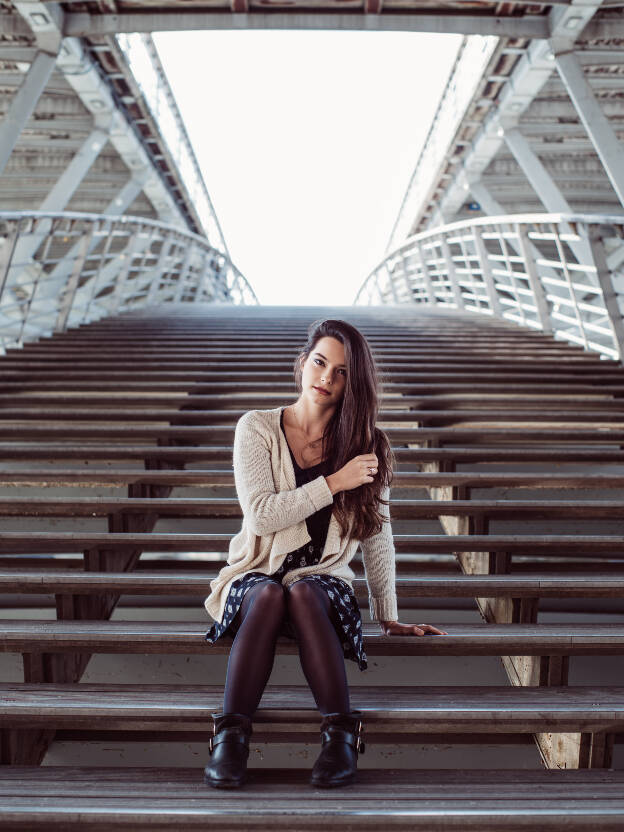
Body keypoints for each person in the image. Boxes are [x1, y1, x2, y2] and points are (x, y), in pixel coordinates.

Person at [203, 318, 448, 789]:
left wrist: (388, 613)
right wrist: (334, 482)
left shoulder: (368, 445)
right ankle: (230, 738)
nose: (326, 379)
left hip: (323, 585)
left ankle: (340, 736)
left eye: (341, 373)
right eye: (320, 363)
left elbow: (377, 535)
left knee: (306, 591)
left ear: (353, 386)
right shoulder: (256, 428)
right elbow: (260, 516)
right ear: (302, 363)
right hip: (256, 576)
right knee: (273, 594)